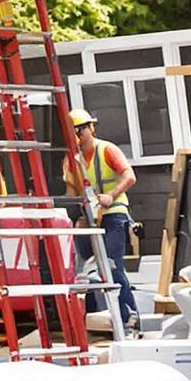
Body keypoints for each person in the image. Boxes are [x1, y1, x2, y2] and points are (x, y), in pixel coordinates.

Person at [63, 109, 139, 330]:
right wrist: (71, 213)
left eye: (81, 130)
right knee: (86, 271)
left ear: (90, 128)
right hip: (88, 219)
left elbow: (129, 176)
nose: (79, 136)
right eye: (74, 132)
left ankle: (129, 318)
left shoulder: (107, 150)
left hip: (113, 213)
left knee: (112, 267)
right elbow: (71, 191)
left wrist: (111, 195)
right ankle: (92, 319)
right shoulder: (70, 160)